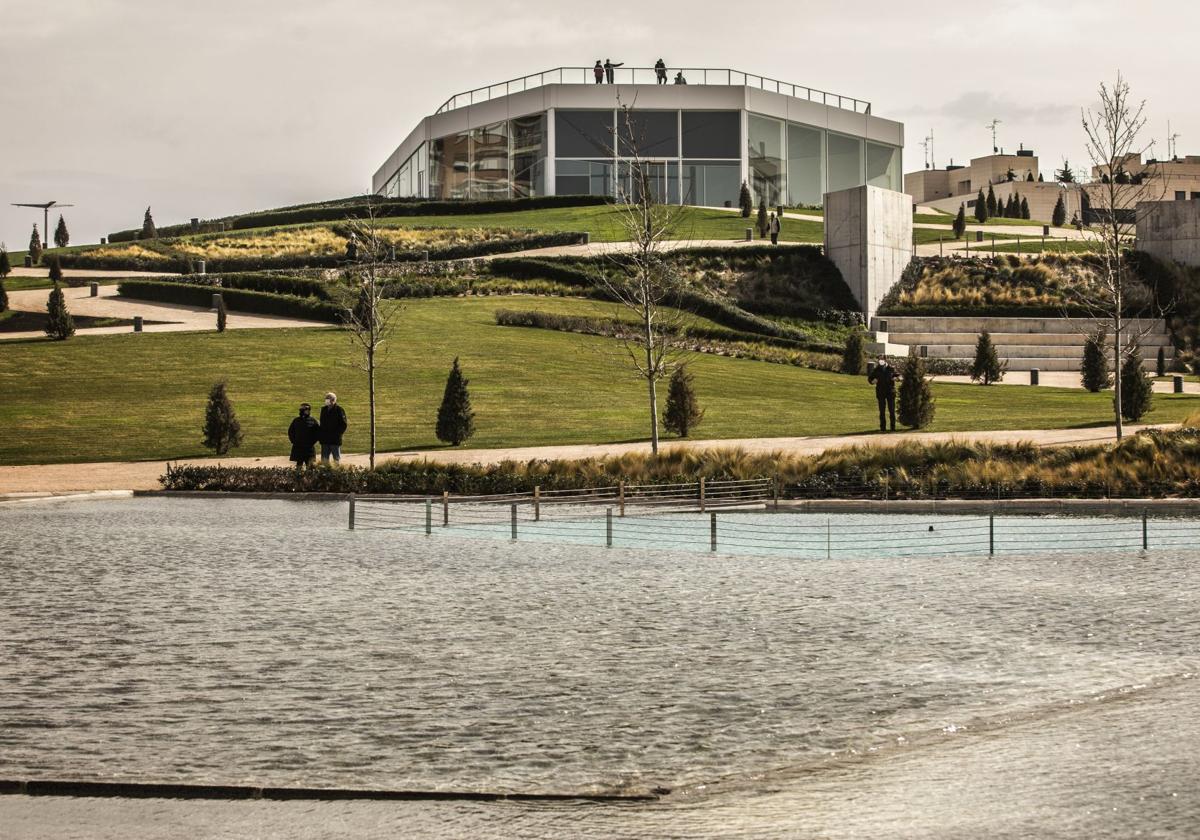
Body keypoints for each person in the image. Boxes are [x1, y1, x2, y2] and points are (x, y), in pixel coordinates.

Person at [867, 357, 897, 432]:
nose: (881, 361)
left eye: (882, 359)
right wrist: (873, 381)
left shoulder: (891, 369)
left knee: (892, 410)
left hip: (890, 392)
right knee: (882, 411)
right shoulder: (876, 370)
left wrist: (897, 378)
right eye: (879, 360)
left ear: (885, 360)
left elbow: (898, 375)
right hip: (880, 392)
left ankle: (893, 428)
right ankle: (883, 428)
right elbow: (870, 379)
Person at [318, 392, 348, 463]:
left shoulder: (339, 410)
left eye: (328, 398)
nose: (326, 400)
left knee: (336, 460)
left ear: (333, 400)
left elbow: (343, 424)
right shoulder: (323, 409)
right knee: (324, 460)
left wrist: (337, 434)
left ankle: (337, 473)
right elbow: (322, 423)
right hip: (325, 440)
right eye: (326, 398)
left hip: (335, 440)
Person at [288, 403, 321, 467]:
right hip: (298, 447)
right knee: (299, 465)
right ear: (302, 411)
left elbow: (317, 433)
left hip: (309, 448)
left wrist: (312, 442)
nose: (308, 411)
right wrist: (294, 441)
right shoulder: (296, 420)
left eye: (308, 410)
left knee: (310, 467)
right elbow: (291, 432)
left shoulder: (313, 421)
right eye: (306, 410)